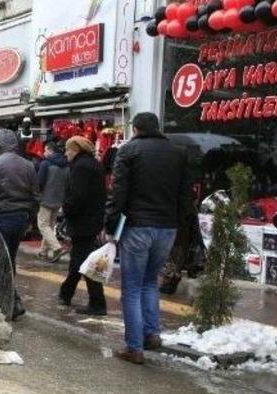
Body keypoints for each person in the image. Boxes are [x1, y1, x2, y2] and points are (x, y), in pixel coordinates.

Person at [106, 112, 190, 365]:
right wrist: (181, 225)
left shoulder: (129, 151)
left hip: (137, 226)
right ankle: (152, 334)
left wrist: (111, 225)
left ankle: (134, 347)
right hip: (167, 227)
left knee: (131, 288)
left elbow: (118, 191)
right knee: (150, 282)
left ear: (136, 128)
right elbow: (185, 195)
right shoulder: (178, 153)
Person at [0, 128, 38, 317]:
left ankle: (10, 302)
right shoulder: (29, 165)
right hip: (21, 219)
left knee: (0, 261)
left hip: (1, 218)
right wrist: (30, 220)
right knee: (9, 258)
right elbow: (36, 196)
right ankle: (13, 300)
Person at [58, 136, 107, 316]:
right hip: (91, 219)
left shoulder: (81, 167)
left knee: (85, 262)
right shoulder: (94, 164)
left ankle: (97, 302)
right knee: (79, 259)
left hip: (82, 221)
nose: (65, 153)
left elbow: (78, 195)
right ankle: (66, 293)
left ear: (76, 150)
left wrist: (66, 210)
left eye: (68, 149)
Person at [35, 140, 69, 262]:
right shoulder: (66, 164)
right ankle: (43, 251)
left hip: (46, 198)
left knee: (43, 225)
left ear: (50, 150)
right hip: (59, 199)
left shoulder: (45, 164)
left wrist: (36, 194)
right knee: (50, 225)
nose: (44, 153)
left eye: (45, 150)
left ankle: (57, 247)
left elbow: (39, 182)